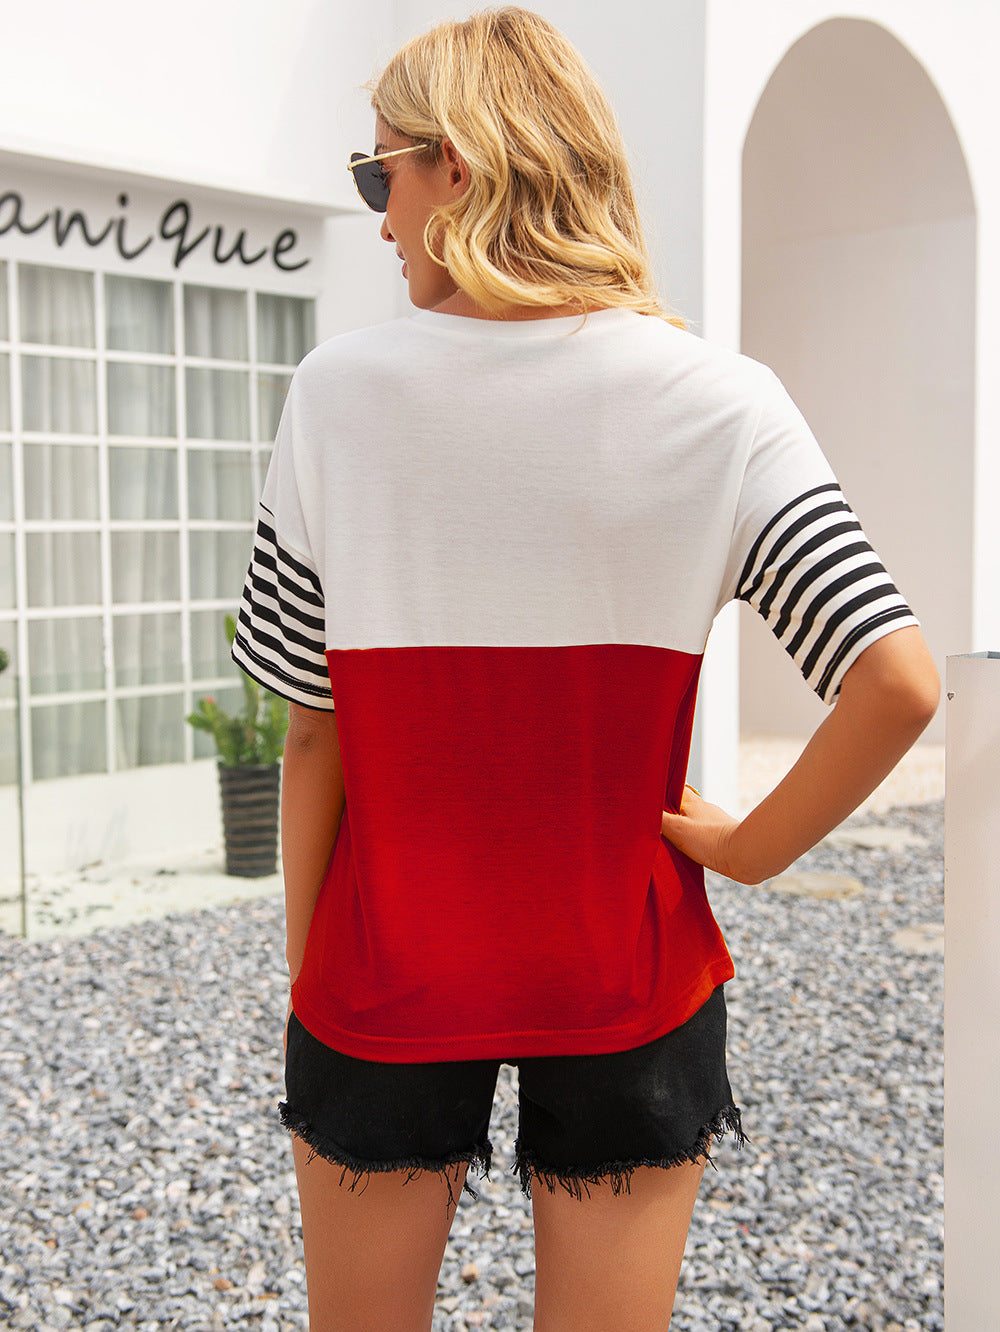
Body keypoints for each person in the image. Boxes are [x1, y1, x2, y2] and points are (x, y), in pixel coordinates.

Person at [232, 8, 940, 1330]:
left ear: (456, 167)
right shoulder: (724, 401)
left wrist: (306, 969)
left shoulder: (336, 395)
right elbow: (896, 681)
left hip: (388, 970)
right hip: (628, 966)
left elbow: (313, 729)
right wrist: (750, 852)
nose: (379, 220)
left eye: (379, 175)